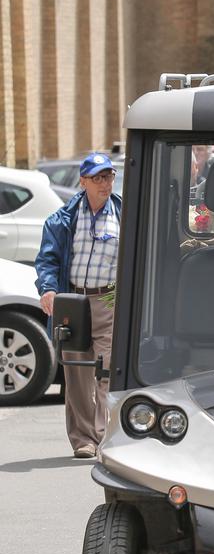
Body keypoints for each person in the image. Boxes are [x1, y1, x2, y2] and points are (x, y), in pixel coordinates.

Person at [35, 153, 121, 459]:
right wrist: (47, 290)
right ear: (82, 182)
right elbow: (48, 259)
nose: (104, 183)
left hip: (110, 300)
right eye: (97, 178)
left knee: (109, 371)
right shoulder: (63, 220)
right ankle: (84, 439)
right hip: (73, 300)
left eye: (108, 176)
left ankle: (106, 436)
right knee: (76, 374)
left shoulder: (125, 214)